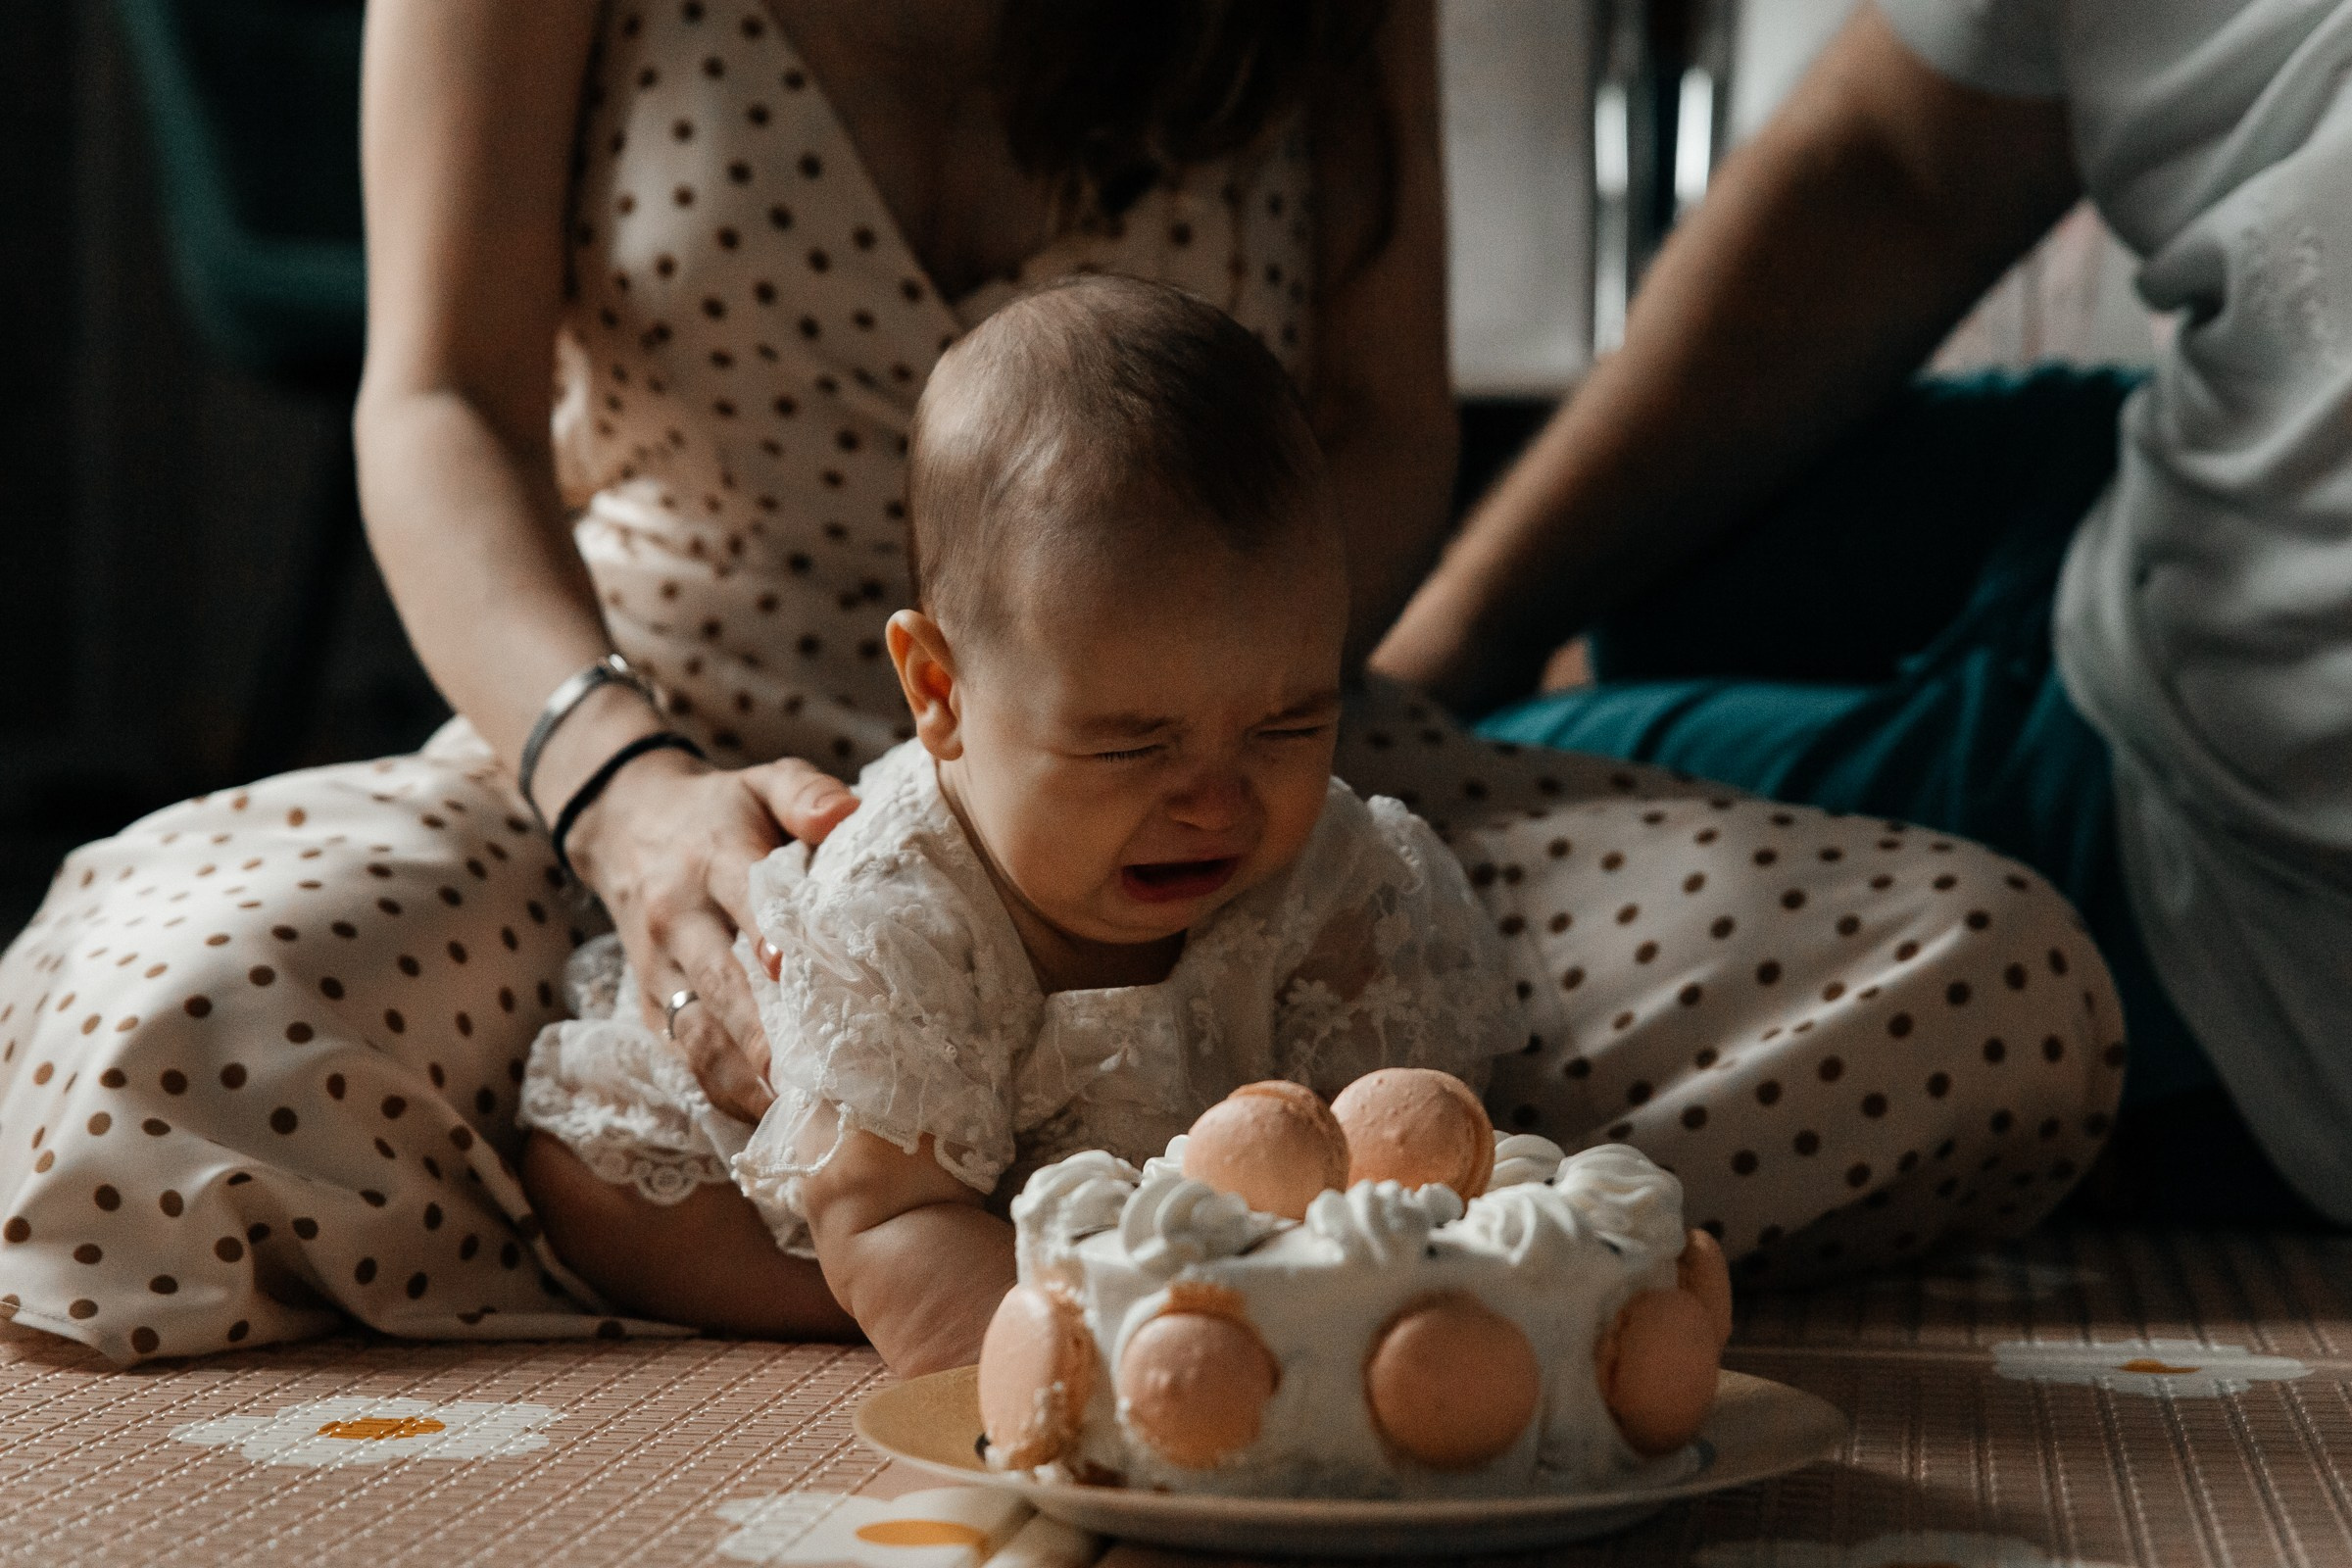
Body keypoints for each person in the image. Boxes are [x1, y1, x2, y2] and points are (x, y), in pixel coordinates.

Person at [0, 0, 2116, 1367]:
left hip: (1240, 777)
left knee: (1985, 983)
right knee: (167, 1029)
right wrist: (622, 789)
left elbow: (1383, 426)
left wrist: (1242, 741)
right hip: (650, 749)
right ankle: (954, 1227)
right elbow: (435, 404)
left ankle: (1090, 1214)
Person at [1375, 0, 2352, 1223]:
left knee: (1452, 841)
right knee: (1613, 615)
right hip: (2149, 472)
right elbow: (1895, 162)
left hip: (2248, 867)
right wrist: (1459, 631)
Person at [519, 276, 1517, 1371]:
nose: (1218, 802)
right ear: (940, 694)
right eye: (1132, 746)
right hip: (804, 1178)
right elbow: (890, 1220)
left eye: (1289, 726)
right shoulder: (892, 913)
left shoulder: (1331, 876)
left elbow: (1389, 1148)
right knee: (623, 1194)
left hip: (1116, 1183)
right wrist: (1100, 1365)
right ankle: (878, 1289)